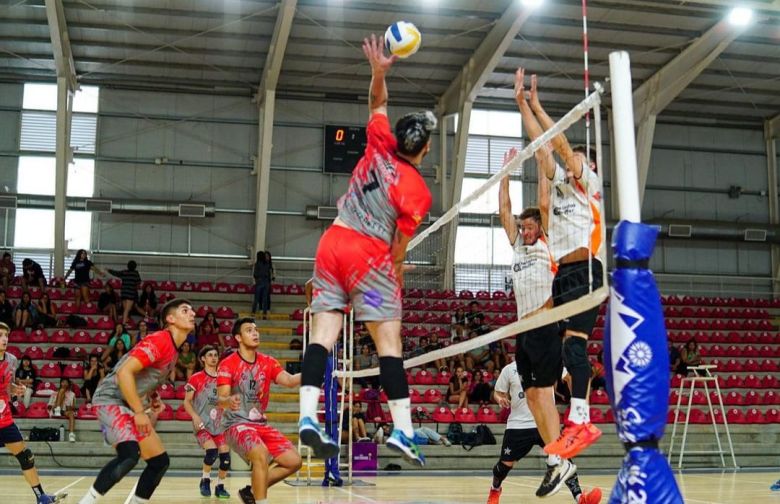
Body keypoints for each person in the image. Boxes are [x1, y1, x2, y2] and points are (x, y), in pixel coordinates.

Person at [299, 33, 434, 467]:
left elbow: (377, 103)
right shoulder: (417, 192)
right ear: (425, 149)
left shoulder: (379, 139)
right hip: (368, 263)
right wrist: (395, 273)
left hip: (331, 246)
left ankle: (307, 417)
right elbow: (399, 246)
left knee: (322, 336)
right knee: (388, 342)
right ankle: (403, 431)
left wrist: (378, 72)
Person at [514, 68, 603, 458]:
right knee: (570, 352)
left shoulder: (589, 185)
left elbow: (561, 146)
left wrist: (538, 104)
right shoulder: (562, 184)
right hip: (563, 277)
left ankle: (580, 421)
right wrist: (521, 104)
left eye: (580, 159)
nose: (572, 161)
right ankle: (577, 421)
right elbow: (542, 146)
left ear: (589, 167)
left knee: (576, 350)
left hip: (585, 270)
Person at [78, 298, 195, 504]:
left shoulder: (173, 349)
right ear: (170, 319)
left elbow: (144, 375)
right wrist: (140, 412)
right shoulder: (161, 339)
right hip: (110, 398)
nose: (192, 313)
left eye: (192, 310)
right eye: (185, 310)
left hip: (126, 402)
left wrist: (152, 396)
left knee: (159, 462)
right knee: (129, 455)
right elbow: (124, 373)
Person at [486, 360, 602, 504]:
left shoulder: (548, 361)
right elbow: (497, 393)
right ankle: (495, 490)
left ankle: (580, 498)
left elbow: (569, 377)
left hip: (546, 423)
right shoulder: (510, 369)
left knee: (563, 458)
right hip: (519, 424)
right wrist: (500, 399)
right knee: (503, 467)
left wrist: (576, 399)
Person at [217, 318, 302, 504]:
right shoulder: (227, 364)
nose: (255, 333)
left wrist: (311, 371)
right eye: (249, 330)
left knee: (294, 461)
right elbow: (220, 398)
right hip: (235, 424)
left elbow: (288, 381)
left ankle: (251, 491)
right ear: (238, 337)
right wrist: (228, 400)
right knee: (260, 453)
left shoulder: (268, 362)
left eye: (256, 330)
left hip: (259, 424)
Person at [0, 322, 64, 503]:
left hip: (4, 420)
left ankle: (41, 497)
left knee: (25, 456)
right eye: (0, 335)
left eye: (6, 335)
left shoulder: (11, 359)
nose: (4, 339)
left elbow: (6, 386)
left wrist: (15, 390)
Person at [183, 345, 230, 499]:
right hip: (203, 423)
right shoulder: (196, 378)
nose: (213, 357)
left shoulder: (224, 379)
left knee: (226, 459)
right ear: (203, 358)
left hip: (220, 424)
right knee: (211, 453)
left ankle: (220, 486)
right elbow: (187, 402)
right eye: (209, 355)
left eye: (216, 354)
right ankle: (205, 480)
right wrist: (195, 417)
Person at [108, 260, 141, 325]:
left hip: (123, 293)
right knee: (127, 309)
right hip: (130, 293)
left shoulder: (124, 272)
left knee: (125, 309)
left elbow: (116, 273)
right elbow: (138, 282)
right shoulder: (135, 273)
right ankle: (123, 323)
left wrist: (109, 270)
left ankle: (125, 322)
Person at [47, 377, 77, 442]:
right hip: (55, 409)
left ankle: (71, 434)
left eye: (66, 382)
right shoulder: (54, 393)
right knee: (61, 391)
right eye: (63, 382)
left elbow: (73, 407)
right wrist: (54, 405)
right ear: (60, 383)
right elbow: (49, 406)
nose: (64, 384)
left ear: (68, 384)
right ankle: (58, 408)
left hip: (65, 410)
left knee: (71, 414)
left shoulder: (72, 394)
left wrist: (69, 407)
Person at [251, 251, 272, 318]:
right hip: (266, 282)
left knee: (256, 298)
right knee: (265, 299)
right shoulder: (267, 264)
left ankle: (253, 312)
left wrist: (257, 279)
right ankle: (264, 314)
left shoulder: (257, 264)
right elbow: (269, 274)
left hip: (259, 282)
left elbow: (255, 274)